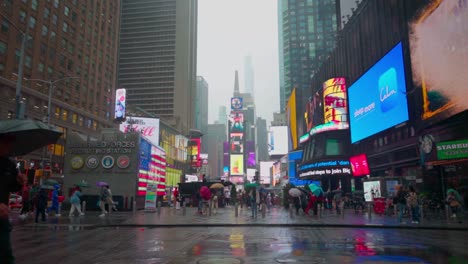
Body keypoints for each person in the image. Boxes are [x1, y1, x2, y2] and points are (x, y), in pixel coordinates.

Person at [0, 134, 25, 263]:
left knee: (6, 255)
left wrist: (19, 182)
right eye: (6, 143)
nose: (8, 147)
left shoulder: (9, 164)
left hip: (2, 218)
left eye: (10, 144)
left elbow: (11, 187)